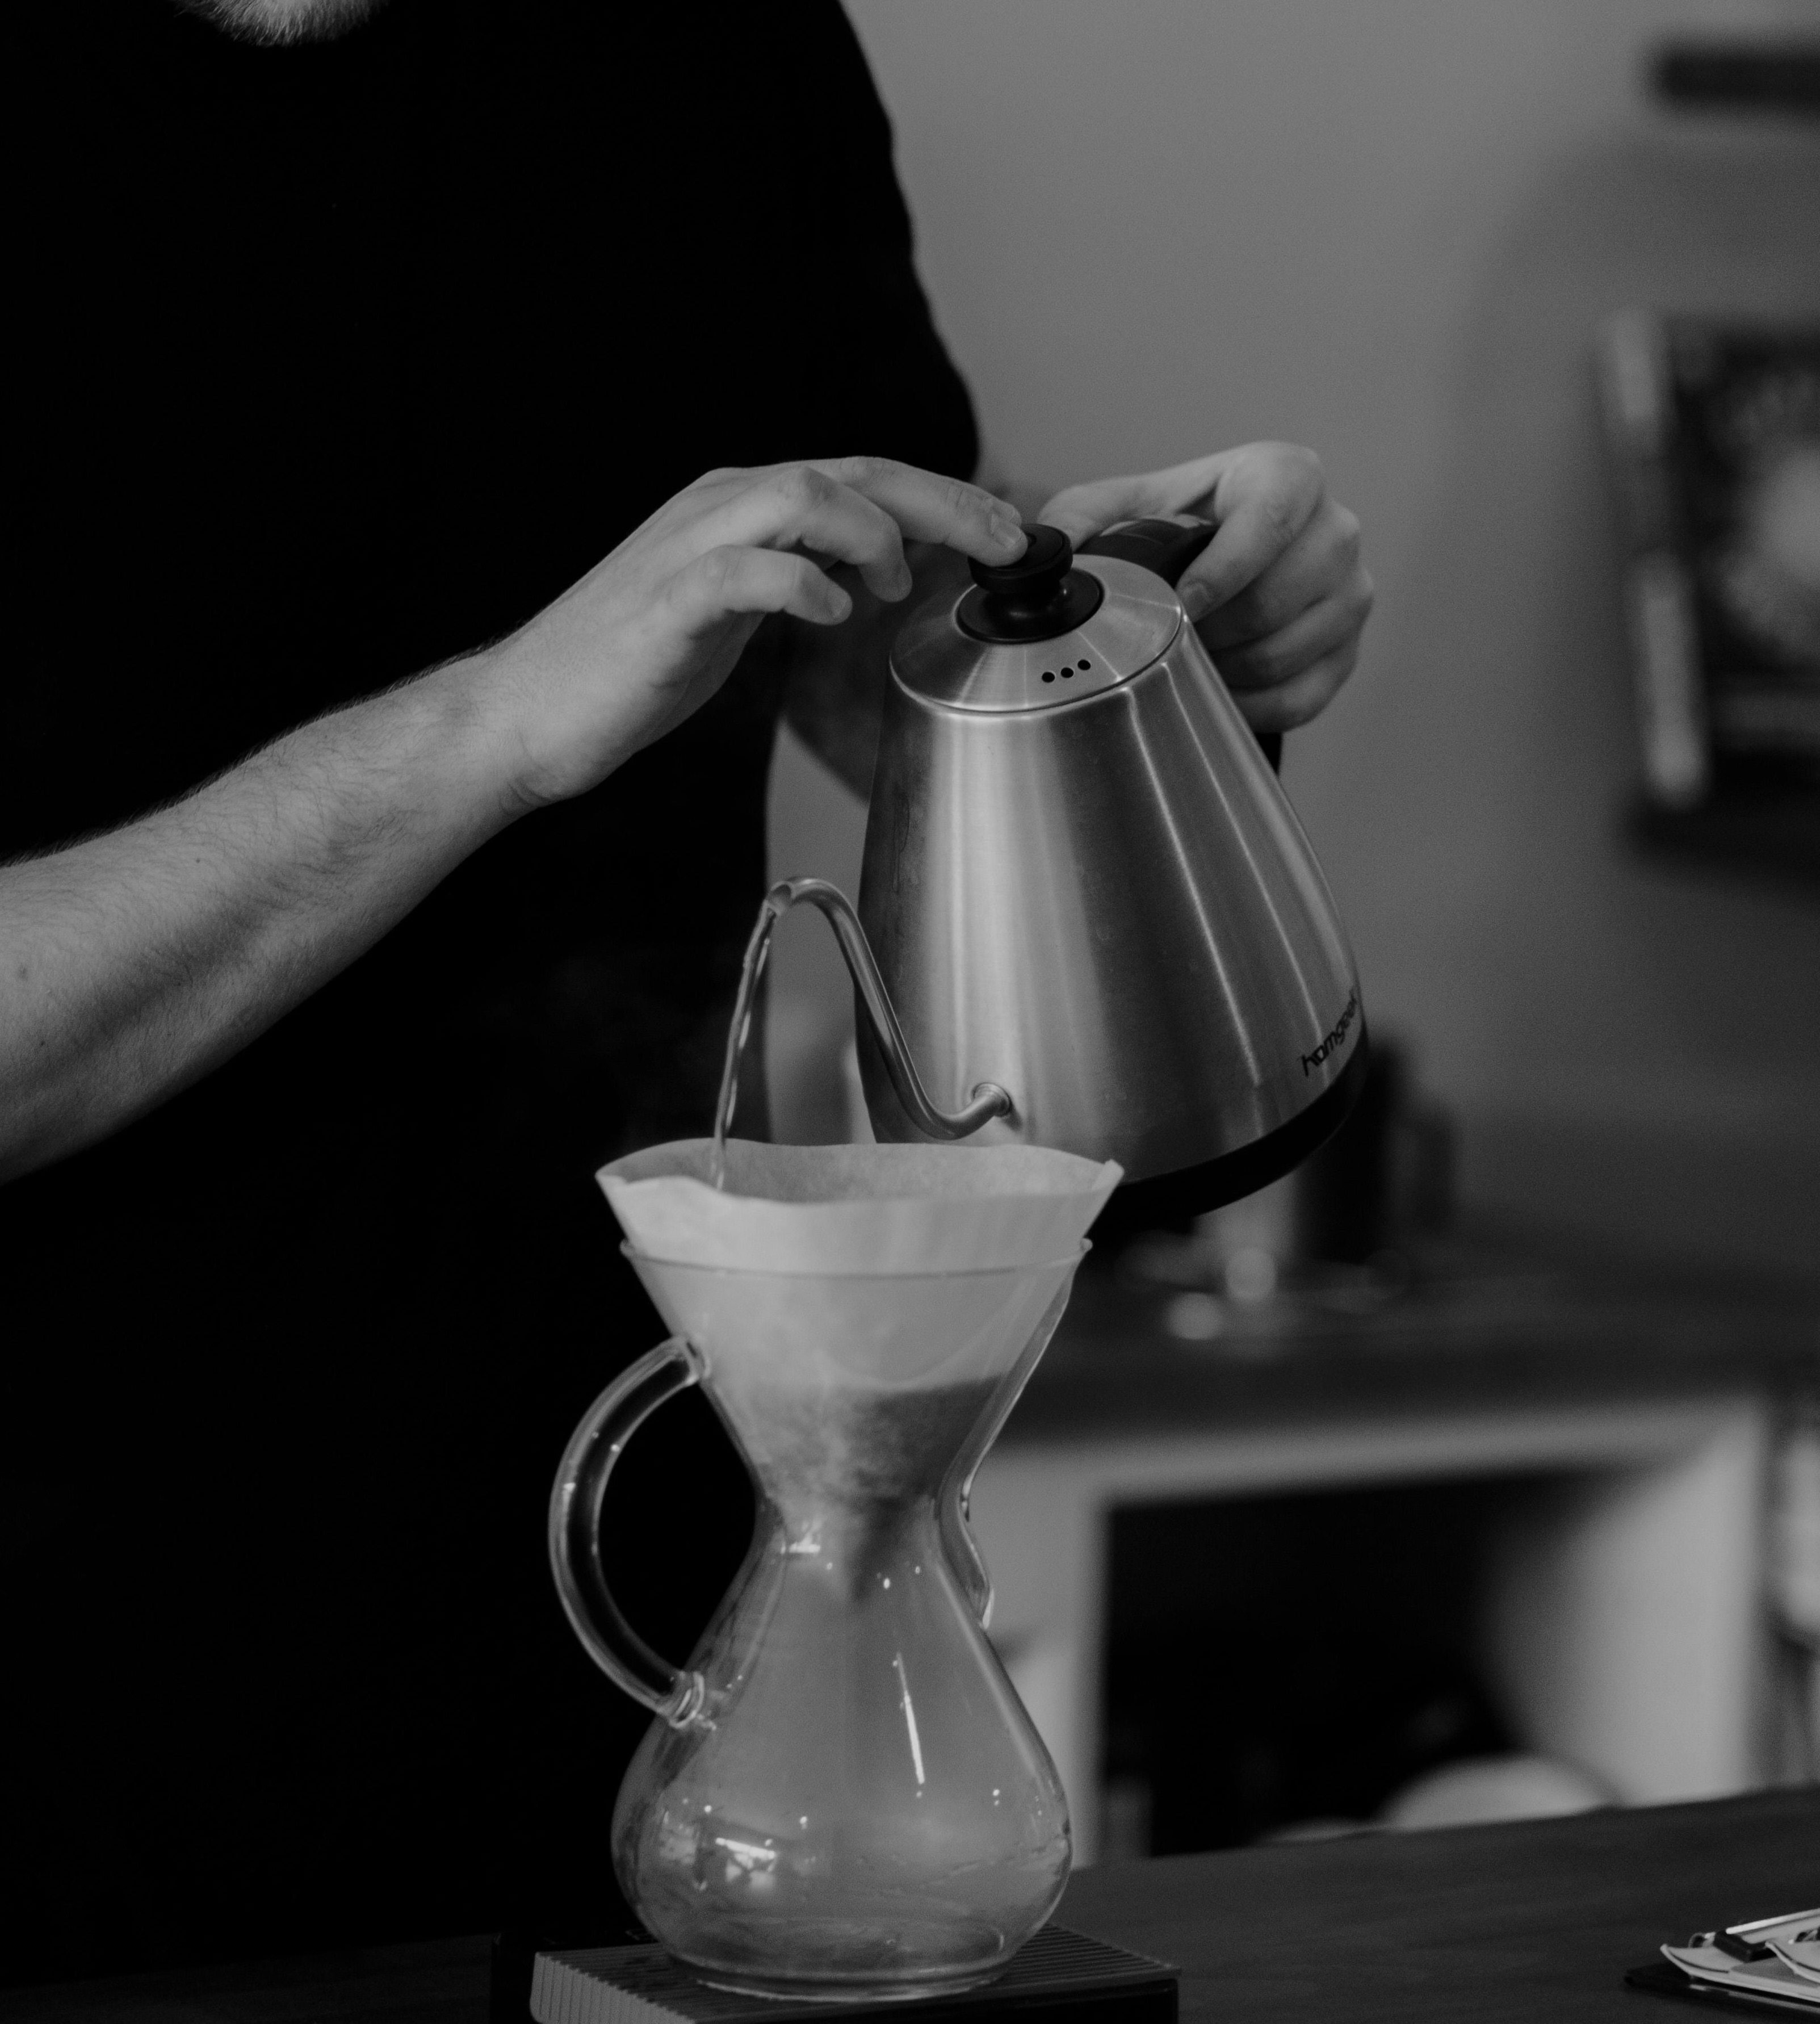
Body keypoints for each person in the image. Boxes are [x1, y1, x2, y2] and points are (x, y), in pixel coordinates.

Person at [3, 0, 1368, 1977]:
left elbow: (879, 665)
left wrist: (1135, 654)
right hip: (51, 1739)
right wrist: (488, 727)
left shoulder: (720, 48)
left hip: (635, 1658)